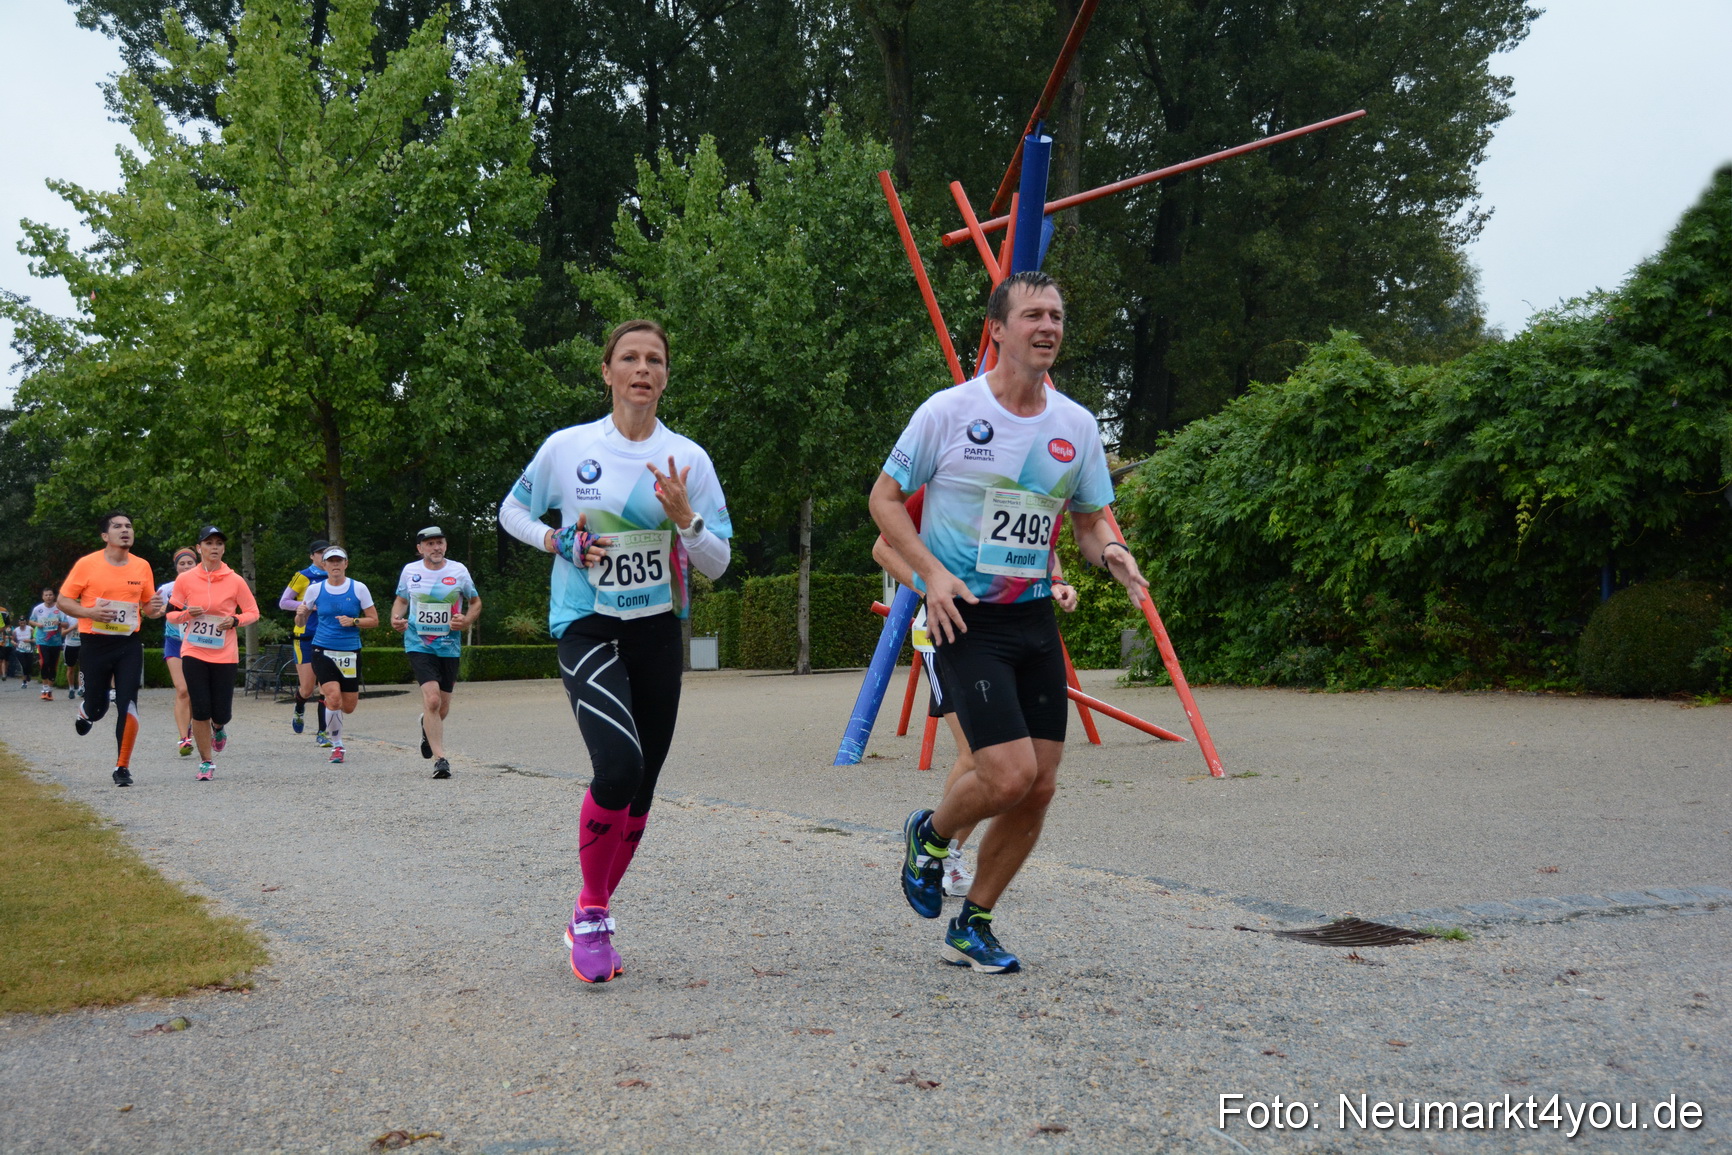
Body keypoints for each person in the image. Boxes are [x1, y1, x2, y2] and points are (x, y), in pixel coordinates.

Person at [870, 271, 1150, 974]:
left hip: (1031, 620)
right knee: (1007, 771)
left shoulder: (1077, 425)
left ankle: (977, 921)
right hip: (964, 617)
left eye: (1056, 314)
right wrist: (932, 573)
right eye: (1033, 315)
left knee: (1042, 783)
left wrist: (1110, 551)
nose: (1048, 326)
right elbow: (883, 500)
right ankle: (930, 835)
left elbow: (1086, 521)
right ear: (997, 329)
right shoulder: (949, 411)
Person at [499, 318, 732, 984]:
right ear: (606, 372)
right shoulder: (568, 449)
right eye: (628, 357)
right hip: (587, 623)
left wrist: (686, 517)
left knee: (643, 785)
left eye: (654, 359)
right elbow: (511, 511)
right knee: (618, 763)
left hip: (657, 630)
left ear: (665, 376)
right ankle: (596, 912)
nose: (641, 369)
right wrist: (555, 542)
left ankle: (586, 908)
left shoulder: (689, 459)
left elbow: (716, 562)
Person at [871, 533, 1081, 899]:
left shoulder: (1028, 485)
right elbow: (881, 547)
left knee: (1029, 772)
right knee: (975, 753)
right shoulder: (946, 480)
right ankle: (943, 853)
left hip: (1016, 632)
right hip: (950, 626)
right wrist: (928, 583)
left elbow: (1042, 545)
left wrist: (1058, 581)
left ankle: (944, 853)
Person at [58, 511, 166, 787]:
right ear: (105, 536)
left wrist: (155, 609)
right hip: (94, 644)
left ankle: (122, 766)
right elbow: (63, 601)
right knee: (99, 708)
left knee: (128, 701)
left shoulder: (142, 566)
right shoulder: (87, 564)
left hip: (128, 643)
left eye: (129, 526)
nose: (125, 530)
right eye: (117, 526)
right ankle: (86, 712)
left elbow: (148, 608)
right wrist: (89, 611)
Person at [167, 528, 260, 781]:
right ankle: (206, 761)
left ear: (223, 549)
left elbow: (253, 612)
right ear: (199, 549)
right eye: (209, 543)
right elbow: (171, 614)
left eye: (219, 543)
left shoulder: (235, 580)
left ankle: (219, 728)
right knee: (200, 708)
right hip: (194, 651)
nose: (214, 547)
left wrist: (235, 620)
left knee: (221, 712)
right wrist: (187, 615)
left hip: (224, 654)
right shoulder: (185, 580)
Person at [389, 526, 481, 780]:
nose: (436, 547)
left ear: (446, 545)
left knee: (442, 707)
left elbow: (475, 602)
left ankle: (425, 726)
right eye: (429, 544)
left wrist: (466, 621)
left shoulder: (459, 571)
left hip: (449, 645)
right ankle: (441, 759)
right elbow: (402, 600)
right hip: (419, 643)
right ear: (420, 549)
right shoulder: (410, 571)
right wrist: (395, 618)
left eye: (440, 542)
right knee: (431, 700)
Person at [293, 546, 377, 765]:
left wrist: (355, 621)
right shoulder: (315, 590)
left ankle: (335, 736)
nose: (335, 565)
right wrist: (300, 616)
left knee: (348, 706)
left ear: (346, 564)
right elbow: (300, 623)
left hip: (350, 651)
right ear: (325, 565)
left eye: (339, 561)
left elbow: (374, 620)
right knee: (333, 697)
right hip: (322, 649)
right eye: (331, 561)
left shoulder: (359, 588)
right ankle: (337, 745)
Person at [279, 540, 331, 746]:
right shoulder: (303, 576)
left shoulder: (336, 578)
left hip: (329, 638)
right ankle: (299, 706)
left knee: (326, 688)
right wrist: (308, 605)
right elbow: (284, 602)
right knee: (307, 689)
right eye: (319, 553)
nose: (323, 557)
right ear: (312, 556)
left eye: (326, 553)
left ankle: (322, 732)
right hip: (305, 637)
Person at [158, 548, 199, 753]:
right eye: (181, 564)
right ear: (176, 567)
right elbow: (152, 612)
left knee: (194, 691)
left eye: (189, 563)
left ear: (196, 564)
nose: (185, 567)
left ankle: (193, 724)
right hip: (174, 641)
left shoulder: (205, 585)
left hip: (198, 643)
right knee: (182, 689)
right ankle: (184, 738)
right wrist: (156, 610)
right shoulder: (166, 590)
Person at [29, 589, 73, 700]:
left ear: (54, 596)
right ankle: (44, 688)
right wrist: (37, 624)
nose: (48, 597)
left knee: (53, 665)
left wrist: (59, 623)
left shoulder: (59, 609)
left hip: (55, 641)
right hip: (42, 640)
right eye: (46, 595)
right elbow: (31, 621)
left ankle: (49, 690)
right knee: (45, 662)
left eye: (50, 595)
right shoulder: (38, 609)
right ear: (43, 597)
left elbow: (66, 624)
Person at [11, 619, 36, 688]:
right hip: (19, 650)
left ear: (26, 623)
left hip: (28, 650)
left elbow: (36, 638)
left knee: (29, 665)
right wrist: (14, 643)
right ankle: (24, 682)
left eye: (24, 623)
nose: (22, 625)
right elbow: (12, 640)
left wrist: (30, 640)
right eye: (21, 623)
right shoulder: (16, 630)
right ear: (19, 623)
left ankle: (28, 674)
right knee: (24, 665)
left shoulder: (30, 629)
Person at [63, 615, 83, 698]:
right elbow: (62, 633)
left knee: (82, 668)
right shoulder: (67, 618)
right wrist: (73, 627)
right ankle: (71, 688)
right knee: (70, 668)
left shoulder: (84, 616)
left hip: (82, 645)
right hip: (70, 645)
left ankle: (81, 688)